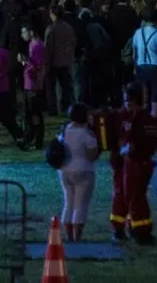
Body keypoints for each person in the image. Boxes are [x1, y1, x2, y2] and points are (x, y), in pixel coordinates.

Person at [110, 81, 157, 245]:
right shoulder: (123, 117)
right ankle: (121, 229)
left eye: (129, 101)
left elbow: (151, 143)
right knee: (121, 195)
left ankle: (140, 231)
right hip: (124, 163)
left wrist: (133, 148)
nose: (126, 104)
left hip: (137, 164)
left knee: (135, 196)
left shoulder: (144, 120)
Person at [59, 103, 99, 242]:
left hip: (65, 170)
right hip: (83, 170)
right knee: (80, 206)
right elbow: (92, 155)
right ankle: (77, 239)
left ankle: (69, 237)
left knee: (68, 204)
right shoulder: (87, 133)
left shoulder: (64, 130)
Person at [130, 8, 157, 115]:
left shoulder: (138, 33)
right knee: (155, 96)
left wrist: (135, 67)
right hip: (156, 67)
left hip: (141, 66)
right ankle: (153, 119)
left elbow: (134, 54)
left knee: (144, 96)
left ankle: (144, 118)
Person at [18, 23, 47, 147]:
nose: (22, 35)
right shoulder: (32, 44)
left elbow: (37, 68)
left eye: (23, 32)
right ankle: (30, 138)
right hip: (29, 83)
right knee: (29, 112)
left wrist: (25, 60)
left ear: (31, 32)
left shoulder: (37, 46)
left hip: (34, 84)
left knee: (34, 112)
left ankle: (36, 139)